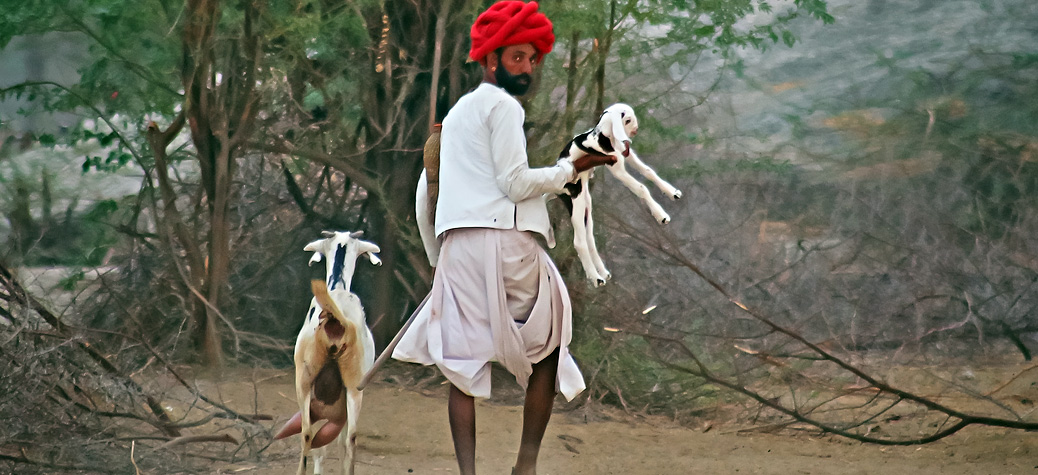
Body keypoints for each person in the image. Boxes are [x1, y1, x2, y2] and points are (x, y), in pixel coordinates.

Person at [393, 2, 616, 474]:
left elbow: (425, 193)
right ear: (491, 60)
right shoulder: (504, 107)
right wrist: (569, 169)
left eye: (532, 59)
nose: (527, 68)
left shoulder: (454, 117)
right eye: (517, 58)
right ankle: (525, 467)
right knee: (552, 339)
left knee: (461, 364)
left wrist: (440, 260)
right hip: (506, 245)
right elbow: (515, 185)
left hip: (457, 249)